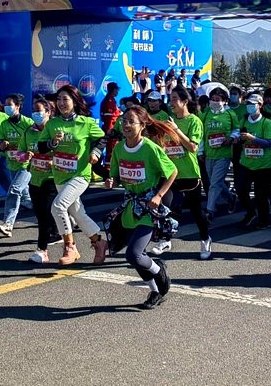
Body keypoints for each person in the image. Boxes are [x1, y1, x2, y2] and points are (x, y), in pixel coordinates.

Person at [106, 107, 178, 309]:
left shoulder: (150, 148)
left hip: (148, 208)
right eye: (124, 121)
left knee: (134, 254)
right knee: (137, 257)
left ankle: (159, 270)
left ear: (142, 125)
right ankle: (155, 291)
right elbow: (115, 175)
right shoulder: (119, 149)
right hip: (130, 207)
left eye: (131, 121)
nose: (126, 125)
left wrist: (159, 195)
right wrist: (111, 181)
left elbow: (172, 171)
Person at [40, 84, 108, 265]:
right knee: (77, 213)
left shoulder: (86, 123)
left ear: (75, 102)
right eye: (59, 99)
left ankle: (70, 247)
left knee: (58, 206)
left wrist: (95, 152)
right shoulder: (52, 124)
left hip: (80, 175)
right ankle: (99, 242)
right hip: (60, 174)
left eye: (65, 99)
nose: (61, 103)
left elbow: (103, 138)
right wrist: (53, 143)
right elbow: (41, 146)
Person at [148, 87, 211, 259]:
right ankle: (165, 239)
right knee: (166, 207)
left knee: (196, 211)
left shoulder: (194, 121)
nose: (171, 102)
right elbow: (163, 146)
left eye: (175, 99)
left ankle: (205, 239)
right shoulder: (168, 120)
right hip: (170, 174)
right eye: (170, 99)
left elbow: (192, 147)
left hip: (189, 175)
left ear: (185, 101)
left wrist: (176, 129)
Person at [20, 97, 59, 262]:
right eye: (34, 111)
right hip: (35, 179)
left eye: (39, 111)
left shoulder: (56, 131)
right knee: (40, 214)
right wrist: (25, 156)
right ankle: (60, 233)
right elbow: (20, 153)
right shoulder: (29, 132)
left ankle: (42, 250)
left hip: (53, 179)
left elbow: (69, 154)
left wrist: (54, 162)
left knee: (44, 215)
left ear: (48, 112)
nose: (35, 114)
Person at [0, 93, 35, 236]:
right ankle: (36, 208)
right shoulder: (4, 124)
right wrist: (2, 145)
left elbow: (36, 140)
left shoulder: (28, 123)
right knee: (24, 193)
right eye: (5, 105)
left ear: (17, 106)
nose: (6, 107)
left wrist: (29, 152)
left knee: (14, 190)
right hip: (12, 163)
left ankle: (8, 224)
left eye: (9, 105)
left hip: (27, 164)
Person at [202, 88, 241, 221]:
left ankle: (210, 210)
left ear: (224, 101)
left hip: (224, 154)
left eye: (217, 100)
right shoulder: (206, 114)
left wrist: (231, 138)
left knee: (214, 183)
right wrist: (201, 151)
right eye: (212, 99)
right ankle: (230, 197)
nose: (214, 102)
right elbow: (202, 133)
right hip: (209, 153)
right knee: (215, 181)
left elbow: (236, 129)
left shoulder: (230, 114)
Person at [238, 93, 271, 229]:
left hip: (263, 165)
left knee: (261, 195)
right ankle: (250, 212)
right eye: (248, 104)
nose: (249, 106)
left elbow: (269, 143)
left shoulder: (266, 122)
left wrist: (252, 138)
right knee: (241, 190)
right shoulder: (244, 121)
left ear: (260, 105)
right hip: (246, 163)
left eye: (252, 104)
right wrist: (238, 138)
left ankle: (264, 220)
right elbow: (238, 135)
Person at [100, 82, 122, 167]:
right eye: (117, 90)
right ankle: (109, 168)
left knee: (112, 148)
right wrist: (110, 129)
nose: (117, 92)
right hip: (111, 128)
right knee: (111, 148)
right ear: (113, 90)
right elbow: (109, 117)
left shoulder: (111, 99)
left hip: (112, 127)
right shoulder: (109, 100)